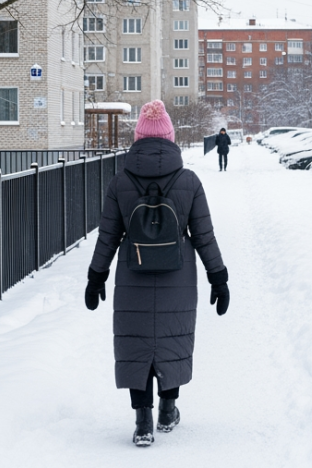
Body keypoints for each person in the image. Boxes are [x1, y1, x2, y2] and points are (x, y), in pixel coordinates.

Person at [85, 100, 230, 447]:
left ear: (138, 139)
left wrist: (96, 276)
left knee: (135, 345)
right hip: (177, 275)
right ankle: (167, 409)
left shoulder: (120, 182)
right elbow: (204, 235)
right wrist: (218, 277)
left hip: (132, 273)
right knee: (172, 340)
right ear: (170, 138)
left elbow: (108, 235)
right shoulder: (189, 181)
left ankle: (142, 422)